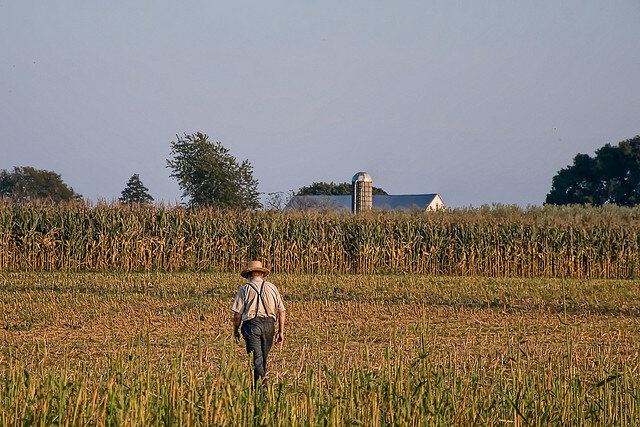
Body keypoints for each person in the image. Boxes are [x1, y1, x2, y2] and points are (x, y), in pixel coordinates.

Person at [231, 260, 286, 387]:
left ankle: (261, 388)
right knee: (262, 359)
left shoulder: (244, 289)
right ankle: (259, 387)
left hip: (251, 326)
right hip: (269, 325)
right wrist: (280, 331)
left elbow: (237, 315)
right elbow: (282, 311)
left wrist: (235, 331)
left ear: (249, 275)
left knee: (257, 359)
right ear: (261, 274)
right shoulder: (272, 287)